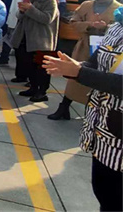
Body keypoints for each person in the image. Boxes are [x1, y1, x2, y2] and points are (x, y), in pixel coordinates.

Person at [42, 14, 123, 212]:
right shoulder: (117, 28)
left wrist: (80, 73)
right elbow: (96, 64)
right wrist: (74, 67)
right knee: (104, 193)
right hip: (104, 131)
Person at [48, 0, 121, 120]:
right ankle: (64, 107)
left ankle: (93, 113)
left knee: (99, 81)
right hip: (84, 46)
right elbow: (73, 21)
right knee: (74, 77)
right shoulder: (86, 5)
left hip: (108, 50)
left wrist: (105, 27)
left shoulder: (118, 9)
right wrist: (90, 25)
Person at [11, 0, 59, 102]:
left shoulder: (50, 0)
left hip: (41, 39)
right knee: (29, 65)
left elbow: (47, 18)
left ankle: (42, 92)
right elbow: (19, 15)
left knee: (41, 67)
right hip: (25, 37)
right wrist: (22, 11)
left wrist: (30, 8)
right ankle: (33, 87)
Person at [6, 0, 37, 83]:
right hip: (18, 24)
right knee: (19, 52)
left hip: (31, 26)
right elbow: (13, 7)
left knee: (30, 54)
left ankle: (31, 78)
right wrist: (11, 22)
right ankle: (20, 75)